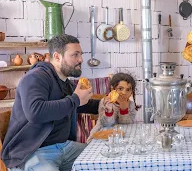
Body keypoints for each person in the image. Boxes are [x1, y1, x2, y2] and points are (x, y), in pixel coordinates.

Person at [1, 34, 100, 171]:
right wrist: (75, 99)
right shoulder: (36, 77)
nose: (81, 59)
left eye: (81, 55)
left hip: (63, 147)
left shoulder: (65, 82)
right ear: (58, 57)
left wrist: (103, 105)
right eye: (75, 55)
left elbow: (79, 103)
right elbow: (35, 112)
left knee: (105, 156)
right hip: (32, 151)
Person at [87, 73, 140, 142]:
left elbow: (127, 125)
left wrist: (124, 110)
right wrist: (109, 111)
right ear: (113, 89)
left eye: (128, 90)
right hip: (100, 137)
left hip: (121, 138)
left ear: (131, 92)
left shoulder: (131, 105)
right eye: (120, 88)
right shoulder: (105, 102)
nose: (124, 93)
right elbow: (106, 124)